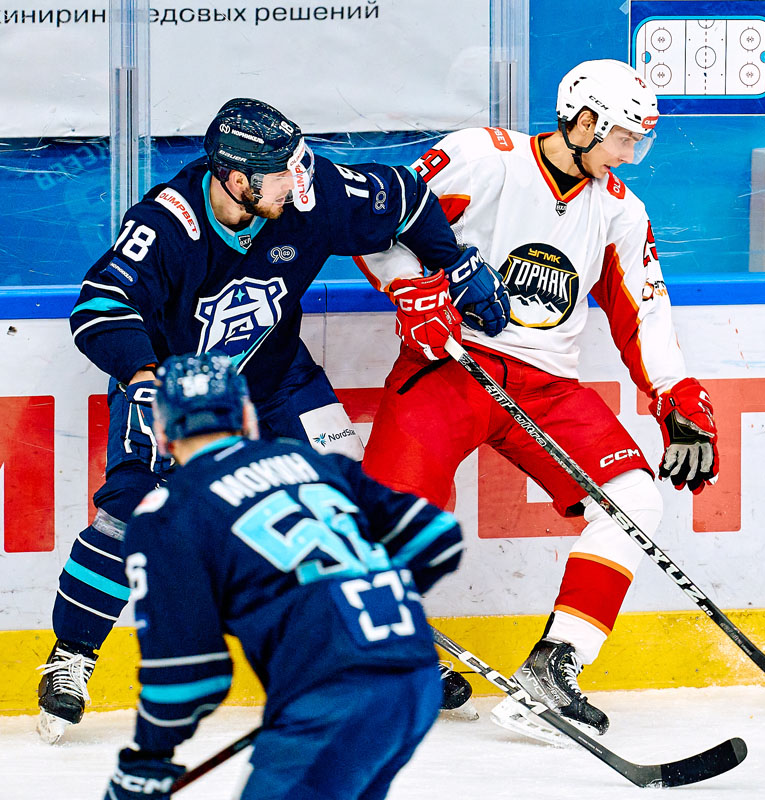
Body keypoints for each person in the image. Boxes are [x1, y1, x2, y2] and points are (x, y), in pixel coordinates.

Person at [40, 97, 506, 742]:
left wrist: (452, 260)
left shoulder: (312, 194)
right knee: (130, 511)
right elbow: (100, 304)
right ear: (237, 179)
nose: (297, 181)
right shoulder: (166, 224)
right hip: (176, 388)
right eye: (281, 173)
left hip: (279, 380)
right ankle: (71, 656)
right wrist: (143, 376)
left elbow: (406, 197)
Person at [354, 59, 718, 739]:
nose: (629, 155)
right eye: (623, 139)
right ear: (584, 122)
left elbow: (643, 312)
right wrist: (412, 290)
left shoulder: (620, 210)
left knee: (634, 500)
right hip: (449, 368)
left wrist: (675, 396)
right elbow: (380, 225)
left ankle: (554, 668)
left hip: (547, 386)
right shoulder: (481, 158)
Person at [102, 352, 463, 800]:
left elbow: (189, 676)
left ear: (161, 433)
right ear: (247, 416)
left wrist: (147, 759)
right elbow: (437, 537)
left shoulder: (167, 513)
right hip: (417, 677)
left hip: (327, 699)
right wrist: (361, 590)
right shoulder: (310, 461)